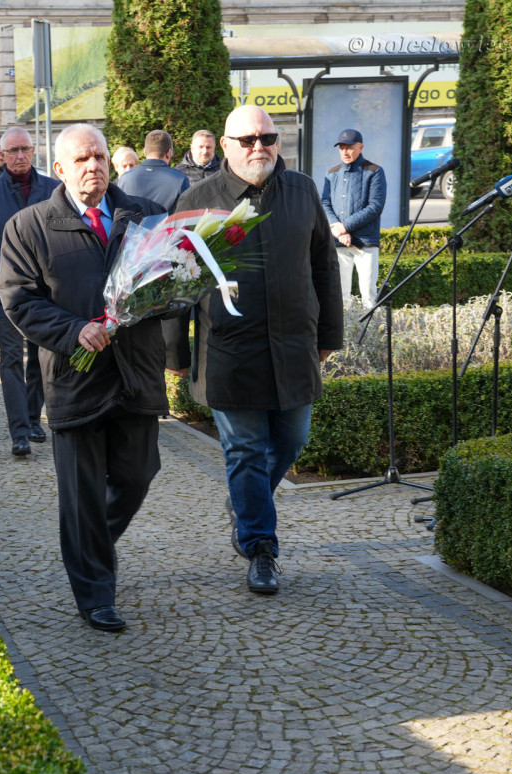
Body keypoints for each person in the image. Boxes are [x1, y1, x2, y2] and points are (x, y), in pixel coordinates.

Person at [166, 105, 343, 596]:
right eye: (246, 140)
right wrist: (175, 353)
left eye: (267, 137)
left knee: (293, 439)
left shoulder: (303, 190)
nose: (258, 147)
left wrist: (328, 336)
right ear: (225, 146)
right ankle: (260, 547)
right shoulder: (197, 199)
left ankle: (247, 504)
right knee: (244, 449)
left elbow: (324, 267)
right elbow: (174, 285)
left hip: (293, 345)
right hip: (229, 351)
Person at [0, 124, 168, 633]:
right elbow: (18, 300)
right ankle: (95, 592)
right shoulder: (29, 226)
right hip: (76, 377)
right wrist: (75, 331)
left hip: (137, 371)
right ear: (60, 169)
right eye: (82, 159)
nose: (93, 165)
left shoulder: (145, 215)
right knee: (82, 493)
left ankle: (89, 544)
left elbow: (174, 277)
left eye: (99, 155)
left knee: (139, 475)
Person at [0, 127, 60, 457]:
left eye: (25, 149)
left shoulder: (53, 190)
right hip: (5, 293)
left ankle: (34, 419)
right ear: (1, 154)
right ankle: (18, 431)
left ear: (33, 151)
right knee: (10, 359)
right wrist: (6, 274)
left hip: (44, 291)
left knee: (40, 357)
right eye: (13, 150)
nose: (19, 156)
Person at [320, 128, 386, 309]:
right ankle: (345, 337)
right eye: (341, 148)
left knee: (369, 297)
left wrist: (344, 227)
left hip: (365, 243)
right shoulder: (332, 173)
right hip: (339, 243)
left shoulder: (375, 171)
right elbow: (325, 203)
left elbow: (375, 207)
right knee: (340, 298)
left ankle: (372, 334)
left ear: (361, 147)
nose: (345, 151)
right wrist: (337, 228)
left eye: (349, 147)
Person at [116, 129, 190, 212]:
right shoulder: (180, 180)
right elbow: (185, 218)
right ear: (169, 153)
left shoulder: (124, 178)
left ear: (145, 151)